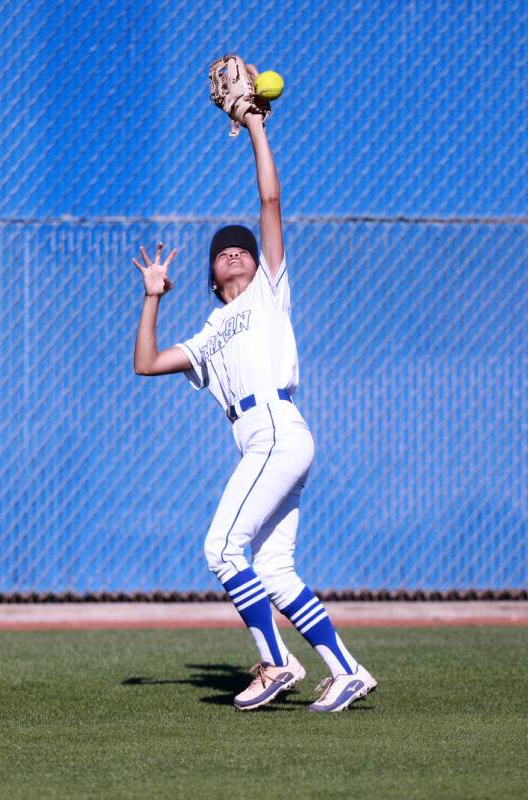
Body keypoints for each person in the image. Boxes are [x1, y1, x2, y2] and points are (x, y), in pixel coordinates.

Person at [130, 107, 376, 712]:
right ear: (213, 275)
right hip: (264, 438)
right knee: (273, 568)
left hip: (275, 425)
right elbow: (145, 362)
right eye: (226, 253)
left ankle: (275, 662)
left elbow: (269, 201)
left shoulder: (270, 291)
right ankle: (346, 670)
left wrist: (255, 126)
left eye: (243, 250)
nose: (237, 254)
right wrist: (151, 298)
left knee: (220, 549)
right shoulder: (208, 332)